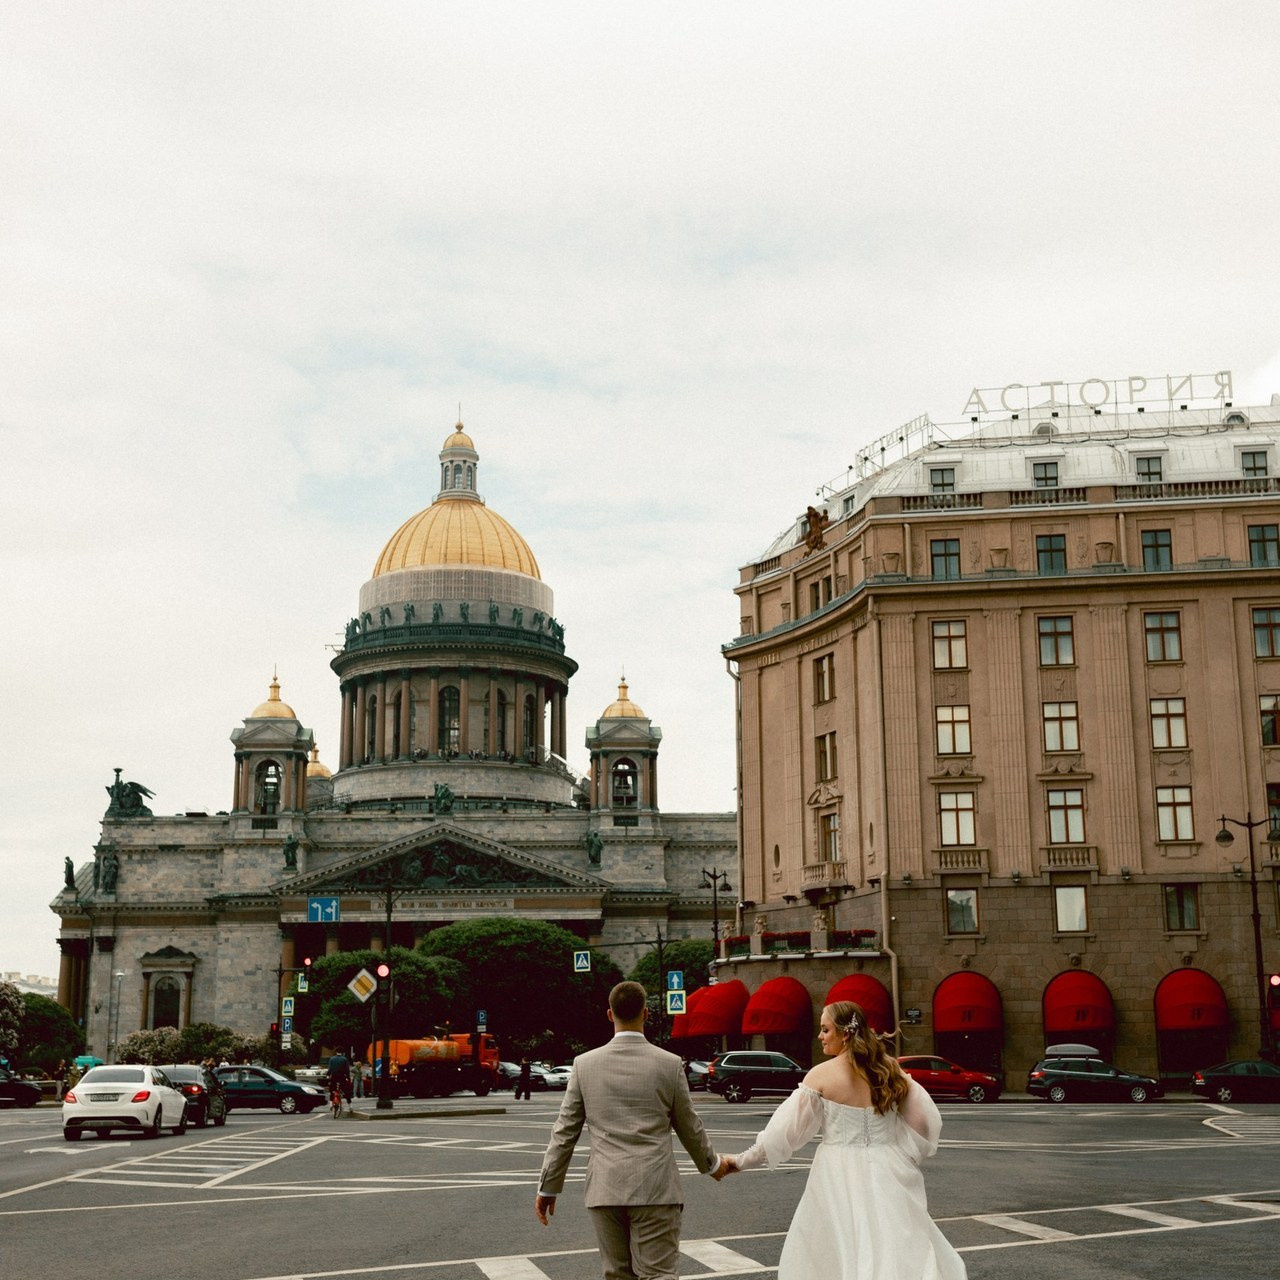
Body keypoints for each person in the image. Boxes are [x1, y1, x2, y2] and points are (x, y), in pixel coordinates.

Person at [720, 1001, 966, 1279]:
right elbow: (925, 1122)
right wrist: (901, 1151)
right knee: (893, 1240)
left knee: (840, 1247)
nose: (820, 1036)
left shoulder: (821, 1076)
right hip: (890, 1166)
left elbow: (783, 1135)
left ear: (845, 1033)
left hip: (836, 1172)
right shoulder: (890, 1070)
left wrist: (738, 1162)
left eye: (825, 1030)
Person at [536, 981, 729, 1279]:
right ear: (646, 1013)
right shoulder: (669, 1064)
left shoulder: (584, 1065)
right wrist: (712, 1164)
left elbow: (564, 1132)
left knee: (617, 1274)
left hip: (605, 1189)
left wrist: (549, 1187)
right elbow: (689, 1126)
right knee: (659, 1273)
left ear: (610, 1015)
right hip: (656, 1188)